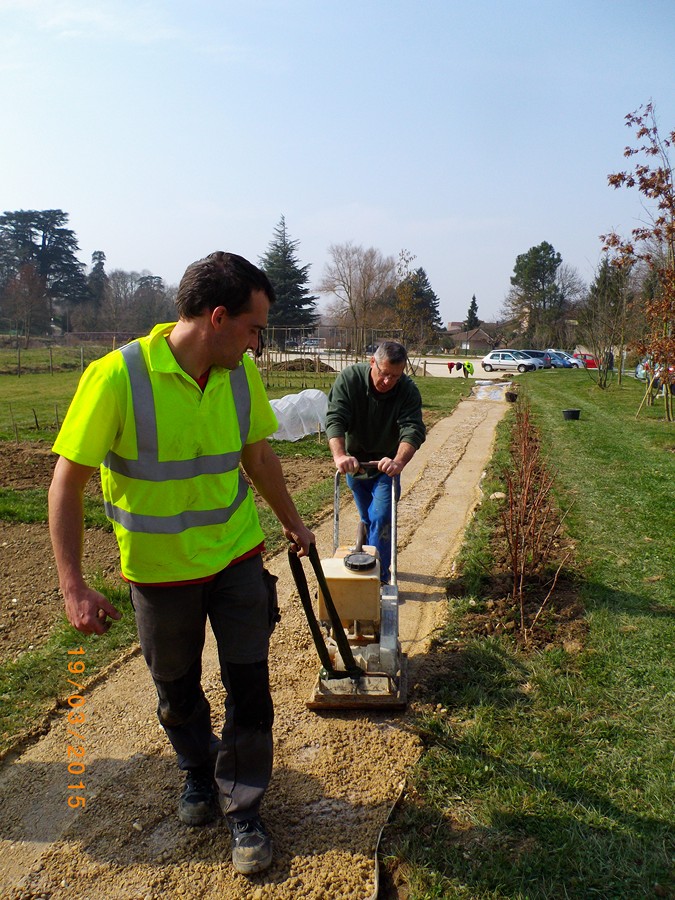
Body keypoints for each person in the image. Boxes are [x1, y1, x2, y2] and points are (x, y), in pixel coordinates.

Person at [48, 251, 314, 877]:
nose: (258, 342)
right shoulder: (117, 379)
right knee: (176, 691)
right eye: (253, 328)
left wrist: (293, 522)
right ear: (218, 318)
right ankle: (197, 770)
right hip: (159, 572)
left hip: (236, 558)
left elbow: (259, 458)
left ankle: (244, 805)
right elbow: (66, 483)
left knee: (249, 686)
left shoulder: (239, 373)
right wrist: (73, 586)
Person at [325, 341, 426, 583]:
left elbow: (412, 429)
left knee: (381, 517)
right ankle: (369, 555)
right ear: (372, 362)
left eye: (395, 376)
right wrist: (340, 456)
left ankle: (377, 579)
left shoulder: (407, 390)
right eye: (384, 374)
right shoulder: (350, 380)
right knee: (369, 517)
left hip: (385, 467)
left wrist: (398, 462)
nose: (388, 382)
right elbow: (335, 418)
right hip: (355, 464)